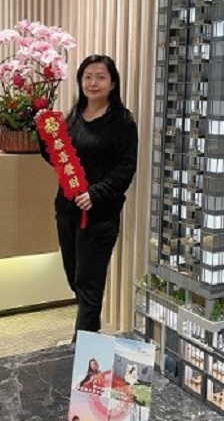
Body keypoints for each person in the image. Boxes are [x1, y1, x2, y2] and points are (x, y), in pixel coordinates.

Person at [38, 54, 139, 341]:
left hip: (99, 216)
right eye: (88, 77)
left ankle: (82, 347)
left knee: (89, 283)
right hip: (66, 211)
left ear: (113, 83)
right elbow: (59, 160)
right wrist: (43, 135)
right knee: (75, 278)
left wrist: (96, 194)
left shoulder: (121, 121)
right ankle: (90, 335)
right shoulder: (73, 117)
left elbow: (126, 167)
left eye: (101, 77)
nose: (93, 83)